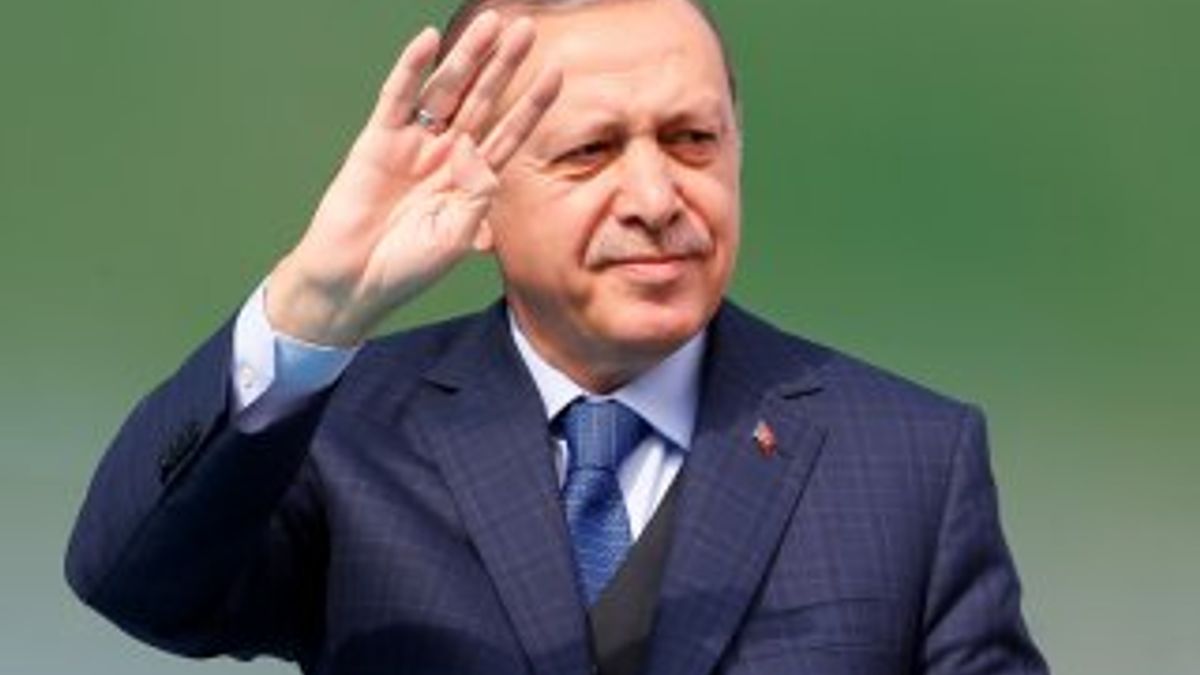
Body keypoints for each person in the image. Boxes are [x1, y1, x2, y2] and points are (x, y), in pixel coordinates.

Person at [66, 0, 1050, 673]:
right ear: (473, 190)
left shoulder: (907, 460)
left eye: (692, 140)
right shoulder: (343, 434)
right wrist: (315, 306)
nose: (657, 197)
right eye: (590, 151)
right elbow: (132, 582)